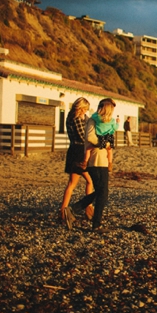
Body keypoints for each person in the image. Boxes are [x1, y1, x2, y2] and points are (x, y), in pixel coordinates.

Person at [67, 98, 116, 232]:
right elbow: (89, 138)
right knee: (103, 193)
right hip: (95, 160)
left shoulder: (105, 122)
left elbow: (110, 138)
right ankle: (95, 224)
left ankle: (74, 210)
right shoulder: (93, 121)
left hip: (103, 160)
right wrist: (104, 143)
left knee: (102, 192)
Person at [60, 97, 94, 229]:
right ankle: (88, 209)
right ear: (80, 107)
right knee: (89, 181)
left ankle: (63, 211)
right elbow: (82, 136)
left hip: (73, 150)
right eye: (85, 109)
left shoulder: (69, 117)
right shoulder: (78, 119)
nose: (85, 111)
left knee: (72, 184)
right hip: (80, 151)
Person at [83, 104, 116, 171]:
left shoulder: (97, 118)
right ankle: (110, 164)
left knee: (88, 149)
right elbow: (114, 128)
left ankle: (85, 162)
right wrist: (111, 131)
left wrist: (96, 112)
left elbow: (92, 116)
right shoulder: (112, 120)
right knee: (109, 151)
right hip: (107, 137)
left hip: (99, 137)